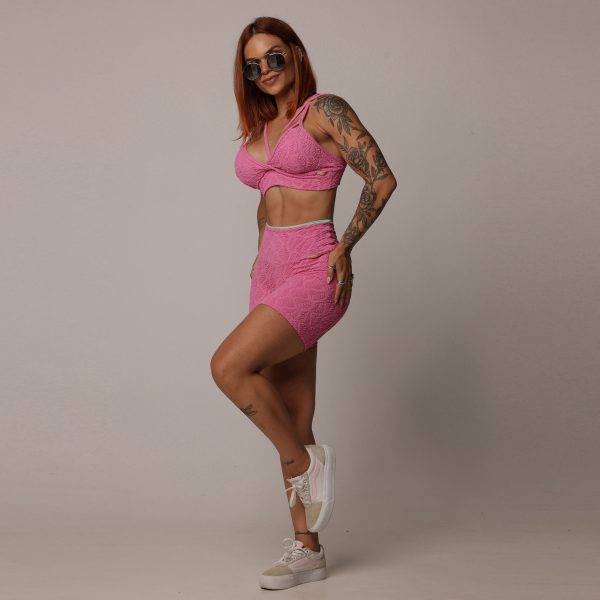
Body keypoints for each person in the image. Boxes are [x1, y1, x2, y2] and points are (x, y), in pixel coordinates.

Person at [210, 16, 397, 590]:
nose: (264, 70)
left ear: (294, 53)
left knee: (227, 367)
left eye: (273, 56)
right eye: (252, 65)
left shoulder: (324, 110)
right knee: (292, 414)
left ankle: (304, 463)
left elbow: (381, 178)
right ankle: (307, 550)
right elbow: (268, 194)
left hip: (315, 268)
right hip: (269, 275)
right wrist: (259, 251)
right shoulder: (263, 126)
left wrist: (345, 246)